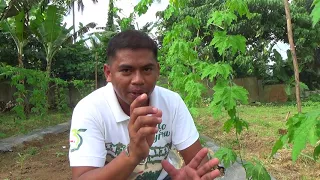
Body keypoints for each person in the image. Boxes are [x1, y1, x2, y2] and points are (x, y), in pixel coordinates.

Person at [68, 30, 221, 180]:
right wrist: (133, 155)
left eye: (147, 69)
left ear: (158, 71)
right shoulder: (89, 109)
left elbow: (198, 164)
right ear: (108, 73)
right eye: (126, 70)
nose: (138, 80)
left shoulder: (172, 103)